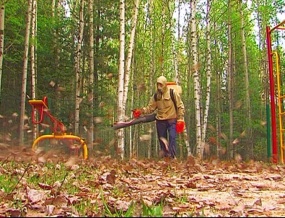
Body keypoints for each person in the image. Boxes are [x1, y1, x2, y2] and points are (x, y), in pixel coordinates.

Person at [133, 75, 185, 158]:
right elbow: (150, 108)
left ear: (165, 84)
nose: (159, 87)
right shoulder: (156, 96)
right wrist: (141, 111)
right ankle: (165, 159)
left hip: (172, 120)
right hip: (161, 121)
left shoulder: (172, 93)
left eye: (161, 85)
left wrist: (180, 119)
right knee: (162, 141)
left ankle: (172, 158)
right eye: (158, 84)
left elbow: (180, 106)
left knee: (172, 138)